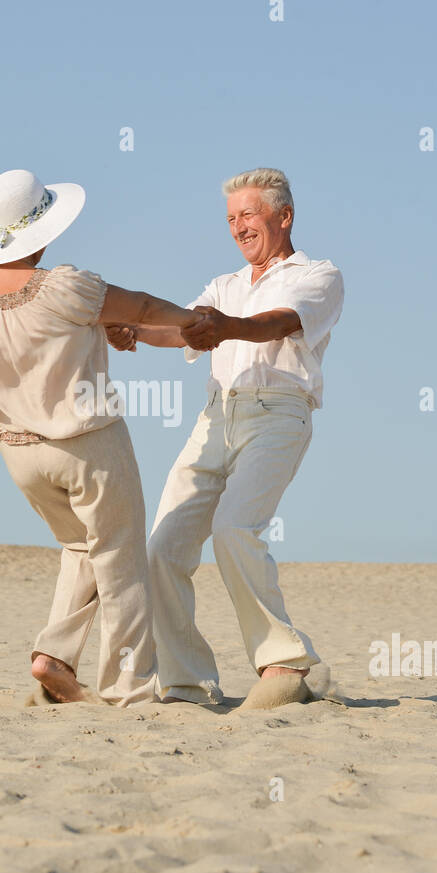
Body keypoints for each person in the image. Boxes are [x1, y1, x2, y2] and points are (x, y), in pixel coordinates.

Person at [0, 167, 210, 707]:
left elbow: (35, 342)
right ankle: (129, 687)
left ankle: (54, 658)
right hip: (85, 445)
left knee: (79, 547)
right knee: (120, 559)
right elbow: (145, 308)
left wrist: (96, 327)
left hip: (18, 454)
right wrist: (197, 321)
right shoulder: (64, 285)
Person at [108, 168, 343, 710]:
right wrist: (136, 332)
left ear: (283, 216)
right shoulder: (224, 286)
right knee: (163, 546)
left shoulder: (320, 275)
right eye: (231, 218)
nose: (239, 227)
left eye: (249, 215)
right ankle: (187, 682)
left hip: (279, 414)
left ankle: (283, 660)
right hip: (215, 417)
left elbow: (279, 323)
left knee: (234, 528)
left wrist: (223, 327)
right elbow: (190, 328)